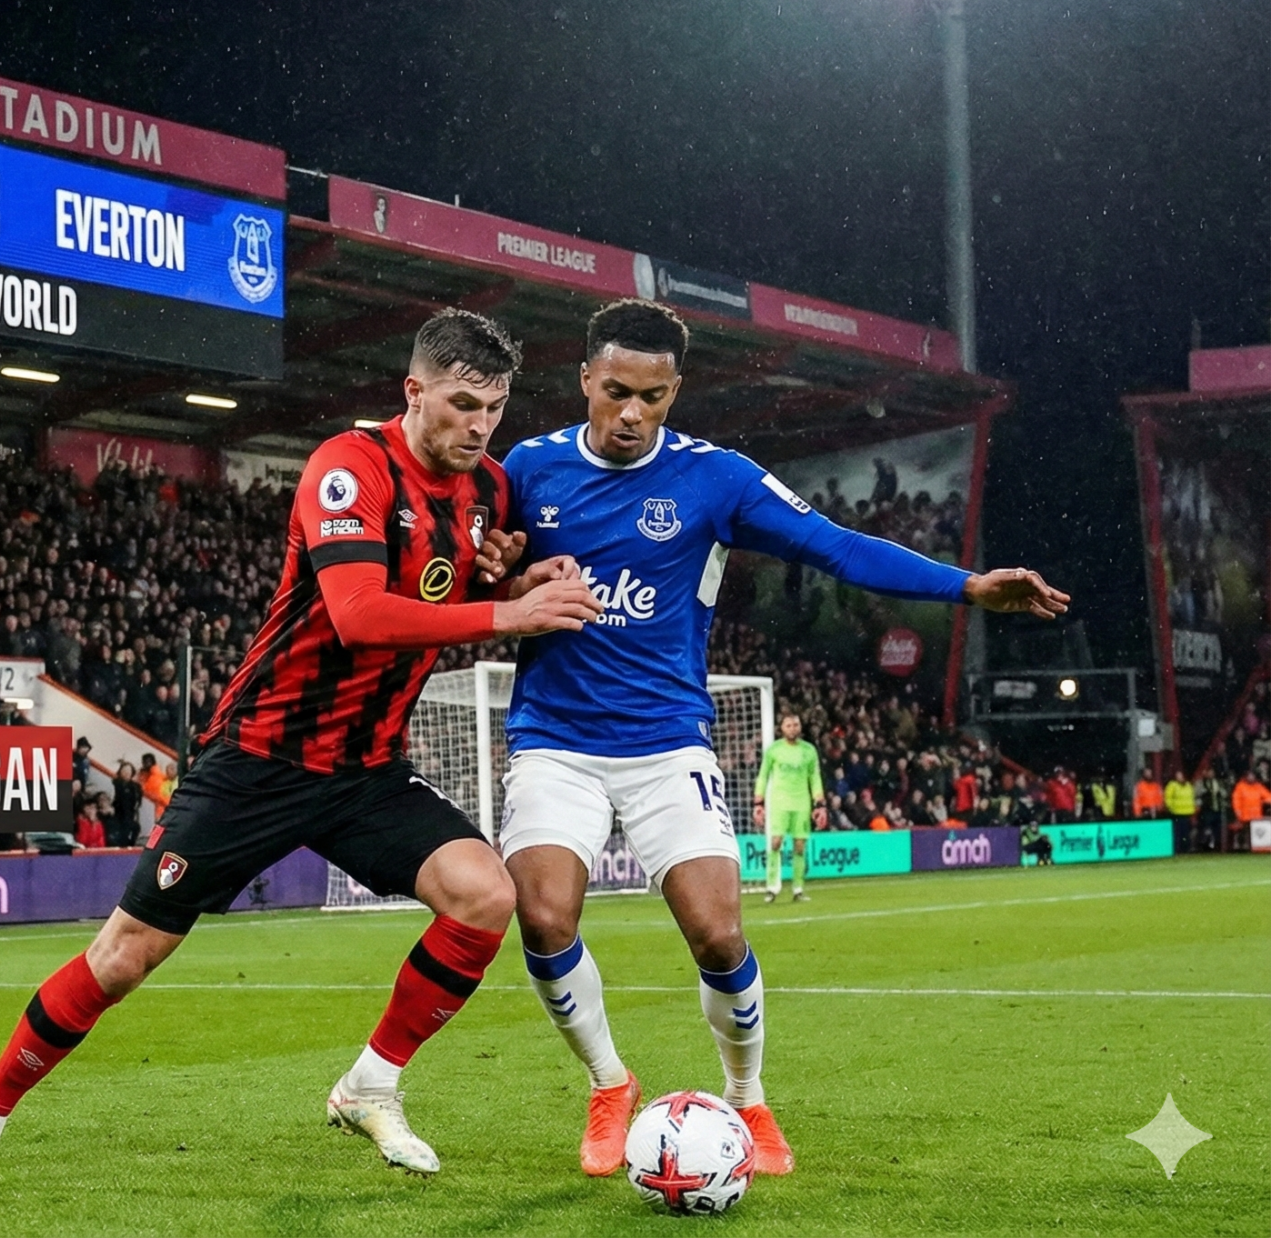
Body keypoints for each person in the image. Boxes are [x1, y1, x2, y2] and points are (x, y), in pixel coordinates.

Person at [0, 310, 604, 1196]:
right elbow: (359, 613)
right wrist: (508, 611)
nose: (480, 426)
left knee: (485, 896)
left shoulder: (491, 490)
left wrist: (516, 577)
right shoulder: (347, 468)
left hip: (365, 769)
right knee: (123, 958)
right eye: (462, 404)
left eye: (495, 408)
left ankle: (370, 1085)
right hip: (259, 758)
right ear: (414, 391)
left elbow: (454, 578)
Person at [496, 300, 1068, 1179]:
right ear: (584, 379)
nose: (632, 413)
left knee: (719, 934)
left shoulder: (716, 479)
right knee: (542, 917)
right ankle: (609, 1083)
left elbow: (835, 547)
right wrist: (505, 576)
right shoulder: (527, 468)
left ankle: (748, 1097)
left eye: (653, 396)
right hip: (554, 737)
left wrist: (966, 586)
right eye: (615, 392)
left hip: (667, 741)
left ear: (675, 390)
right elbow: (476, 570)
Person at [758, 714, 822, 903]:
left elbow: (815, 777)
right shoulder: (774, 750)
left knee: (800, 846)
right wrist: (758, 801)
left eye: (796, 724)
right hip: (779, 802)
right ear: (782, 728)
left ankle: (798, 888)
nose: (793, 728)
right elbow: (763, 775)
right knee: (775, 842)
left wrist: (819, 803)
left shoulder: (809, 750)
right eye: (789, 725)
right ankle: (772, 887)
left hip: (801, 802)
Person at [1162, 768, 1197, 854]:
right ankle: (1178, 849)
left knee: (1186, 832)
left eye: (1181, 776)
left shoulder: (1188, 785)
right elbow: (1168, 798)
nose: (1180, 777)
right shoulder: (1172, 786)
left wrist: (1193, 809)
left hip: (1187, 812)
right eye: (1178, 776)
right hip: (1177, 813)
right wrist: (1171, 808)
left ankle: (1186, 848)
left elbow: (1192, 798)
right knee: (1178, 832)